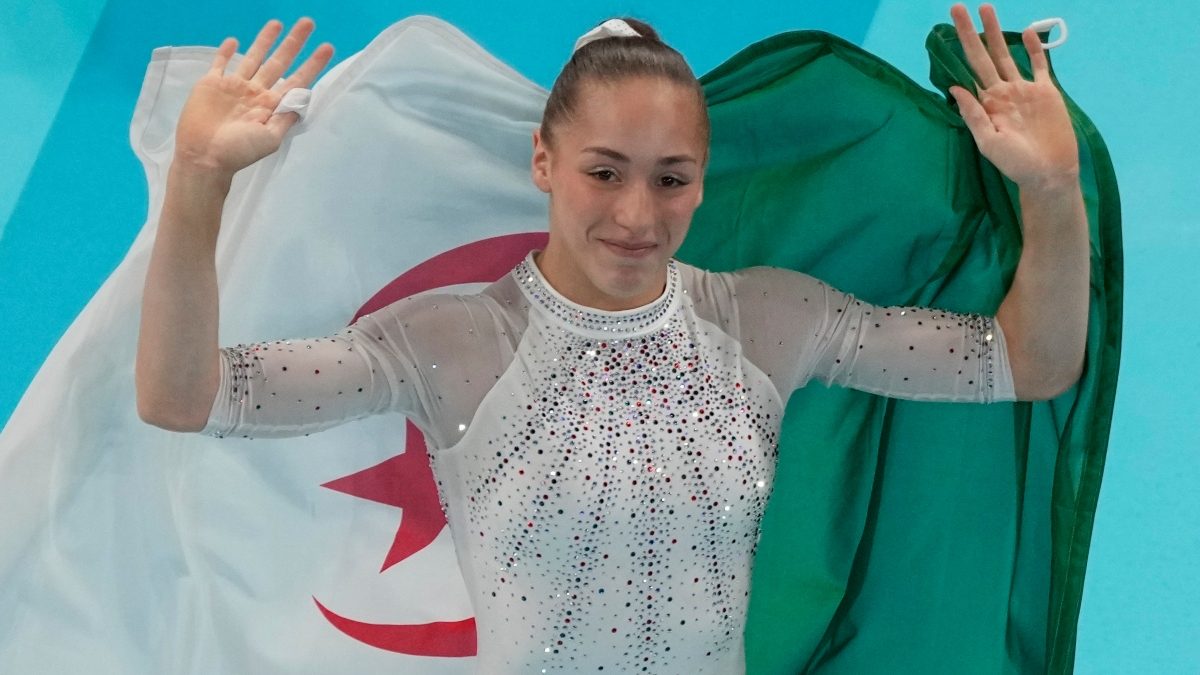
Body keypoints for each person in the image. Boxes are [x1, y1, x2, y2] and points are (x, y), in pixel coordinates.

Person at [134, 4, 1088, 673]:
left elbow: (1026, 360)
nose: (638, 213)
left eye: (672, 178)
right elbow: (186, 395)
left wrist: (1051, 189)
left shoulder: (766, 321)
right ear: (544, 163)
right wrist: (197, 181)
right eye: (605, 171)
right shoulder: (455, 341)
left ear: (705, 181)